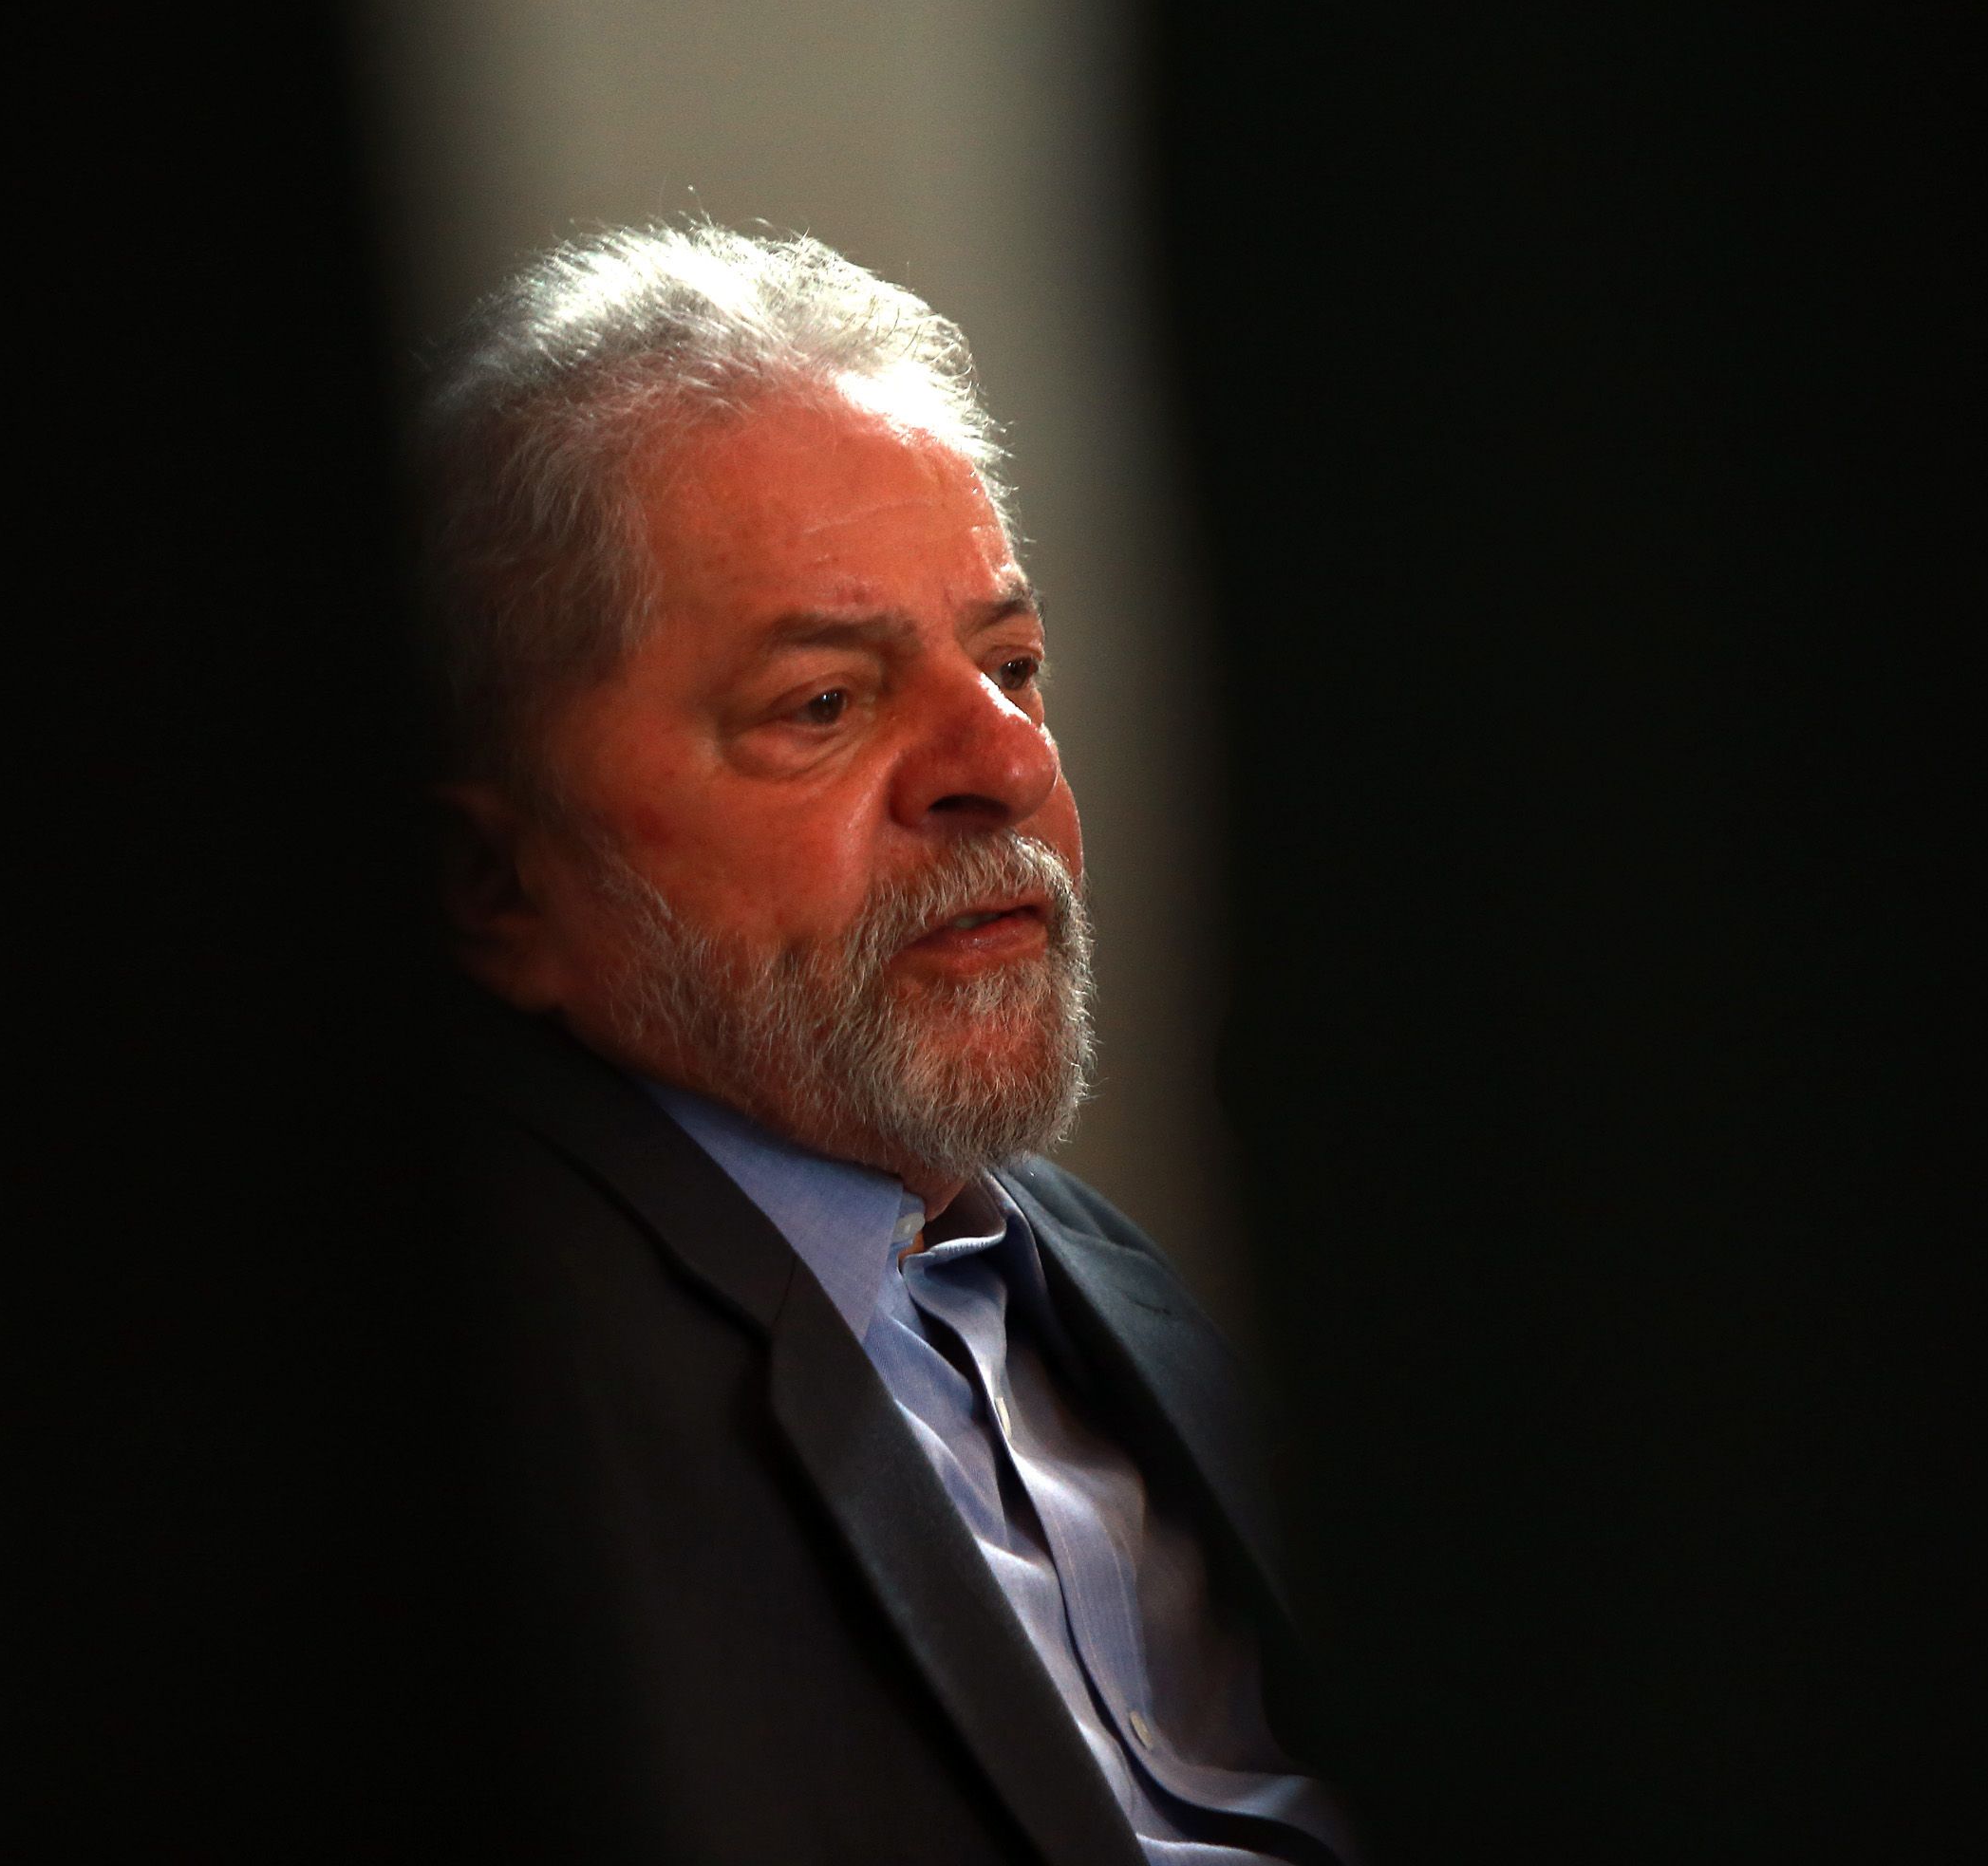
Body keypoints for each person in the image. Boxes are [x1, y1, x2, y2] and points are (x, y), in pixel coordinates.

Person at [417, 223, 1357, 1866]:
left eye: (1012, 666)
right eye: (823, 705)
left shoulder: (1091, 1273)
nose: (1005, 765)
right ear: (499, 884)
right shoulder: (471, 1403)